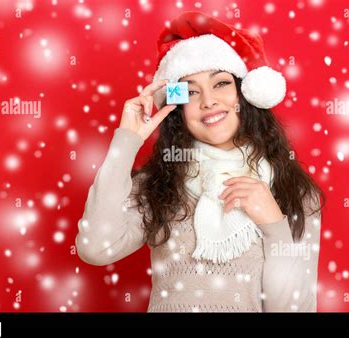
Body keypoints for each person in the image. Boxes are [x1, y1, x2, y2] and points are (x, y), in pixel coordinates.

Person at [75, 11, 326, 312]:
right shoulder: (157, 185)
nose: (208, 101)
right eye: (191, 91)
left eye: (221, 84)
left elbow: (292, 310)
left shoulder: (294, 191)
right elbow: (95, 247)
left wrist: (274, 224)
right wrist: (127, 140)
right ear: (178, 108)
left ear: (244, 95)